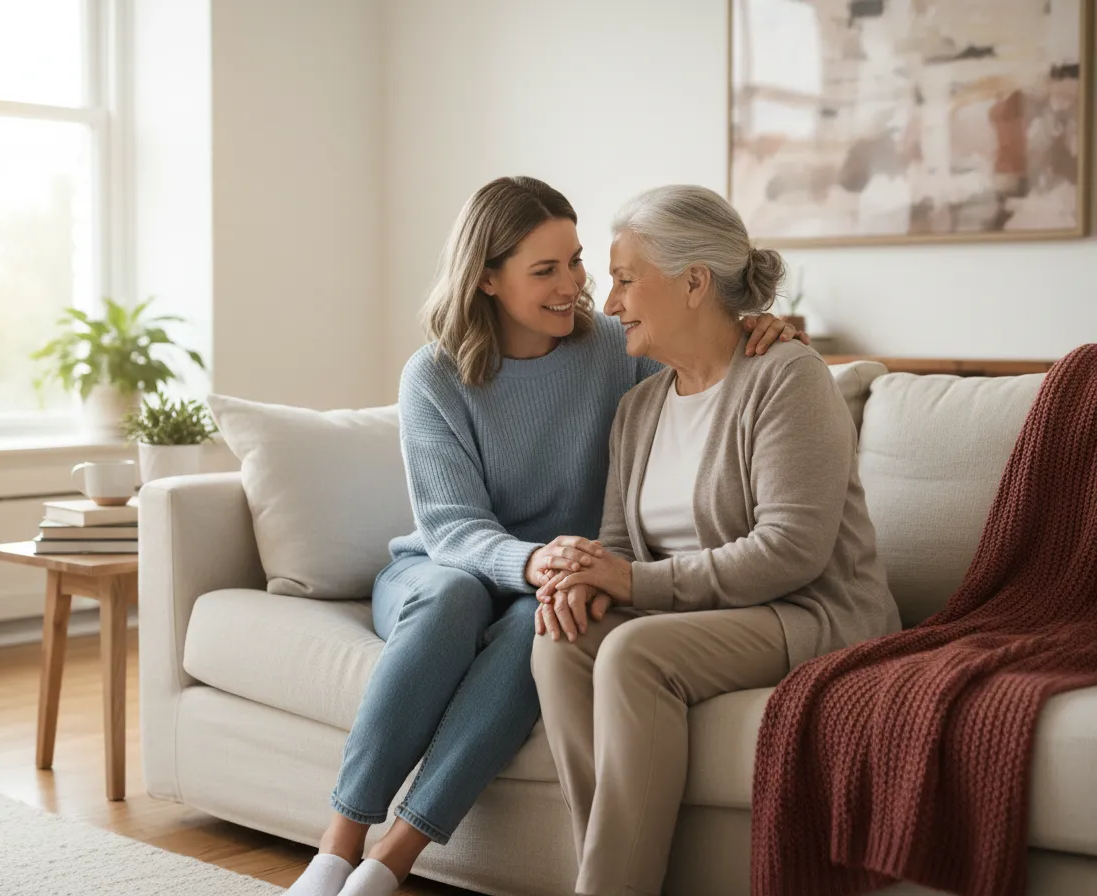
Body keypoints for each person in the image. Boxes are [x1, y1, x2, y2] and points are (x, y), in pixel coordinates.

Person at [283, 177, 801, 896]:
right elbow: (451, 527)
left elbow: (706, 347)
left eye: (577, 261)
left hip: (554, 583)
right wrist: (534, 559)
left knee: (546, 622)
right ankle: (337, 850)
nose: (575, 286)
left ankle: (388, 863)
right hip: (441, 569)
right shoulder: (433, 375)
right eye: (545, 270)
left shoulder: (618, 347)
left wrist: (765, 327)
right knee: (455, 598)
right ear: (487, 278)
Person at [531, 184, 901, 896]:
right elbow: (619, 543)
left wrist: (630, 583)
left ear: (695, 282)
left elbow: (790, 550)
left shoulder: (786, 376)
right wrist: (581, 581)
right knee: (560, 638)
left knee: (634, 651)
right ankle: (607, 873)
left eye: (626, 280)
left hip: (809, 612)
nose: (611, 303)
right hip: (703, 616)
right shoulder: (639, 407)